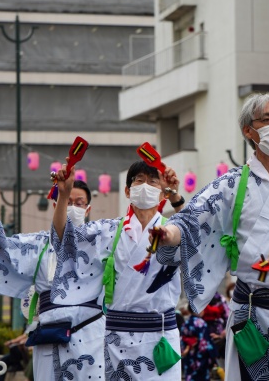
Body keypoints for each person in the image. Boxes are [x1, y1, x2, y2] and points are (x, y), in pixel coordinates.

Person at [155, 93, 269, 380]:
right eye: (267, 120)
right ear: (248, 130)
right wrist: (167, 233)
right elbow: (193, 220)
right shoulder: (231, 183)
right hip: (251, 313)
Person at [51, 160, 184, 380]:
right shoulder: (109, 231)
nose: (145, 186)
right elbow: (64, 239)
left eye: (152, 182)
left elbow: (198, 237)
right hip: (117, 340)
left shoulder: (174, 229)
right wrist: (63, 196)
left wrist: (177, 199)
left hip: (160, 337)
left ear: (163, 194)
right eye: (139, 181)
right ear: (127, 191)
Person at [0, 179, 105, 380]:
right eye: (67, 201)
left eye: (79, 203)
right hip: (49, 335)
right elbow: (0, 249)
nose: (72, 207)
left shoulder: (100, 240)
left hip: (90, 336)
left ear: (87, 209)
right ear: (56, 205)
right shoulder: (39, 244)